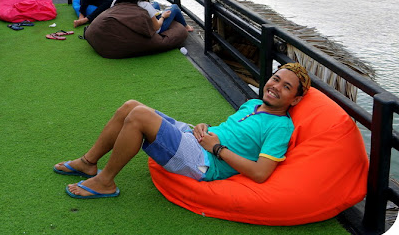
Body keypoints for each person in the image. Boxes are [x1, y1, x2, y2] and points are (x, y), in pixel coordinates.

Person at [53, 63, 311, 199]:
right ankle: (88, 163)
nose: (276, 86)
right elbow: (232, 130)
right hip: (198, 140)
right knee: (130, 106)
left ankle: (105, 182)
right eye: (276, 78)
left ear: (295, 100)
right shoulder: (253, 103)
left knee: (139, 116)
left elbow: (261, 173)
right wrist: (206, 128)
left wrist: (217, 149)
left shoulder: (281, 126)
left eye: (286, 87)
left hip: (206, 162)